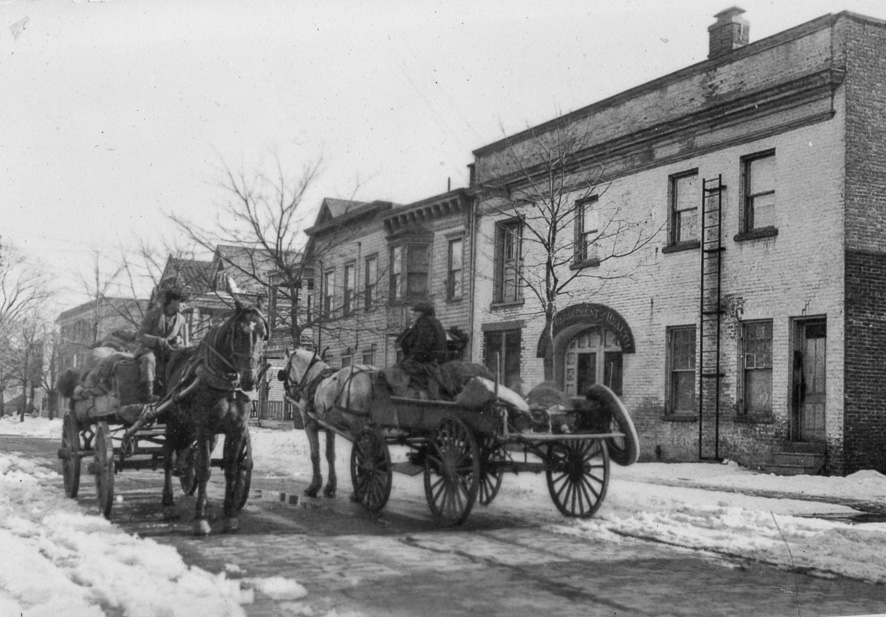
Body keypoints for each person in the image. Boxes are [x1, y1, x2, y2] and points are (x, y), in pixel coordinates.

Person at [135, 286, 189, 403]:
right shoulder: (152, 315)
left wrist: (179, 339)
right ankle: (149, 395)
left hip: (168, 351)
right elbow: (140, 336)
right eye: (182, 302)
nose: (184, 305)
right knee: (149, 360)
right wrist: (157, 340)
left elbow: (183, 338)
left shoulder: (181, 319)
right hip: (148, 349)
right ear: (172, 301)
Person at [398, 301, 448, 398]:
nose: (414, 314)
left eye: (416, 312)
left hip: (428, 359)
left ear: (422, 312)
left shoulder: (425, 323)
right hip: (435, 358)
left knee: (401, 370)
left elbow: (423, 345)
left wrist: (411, 358)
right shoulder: (434, 322)